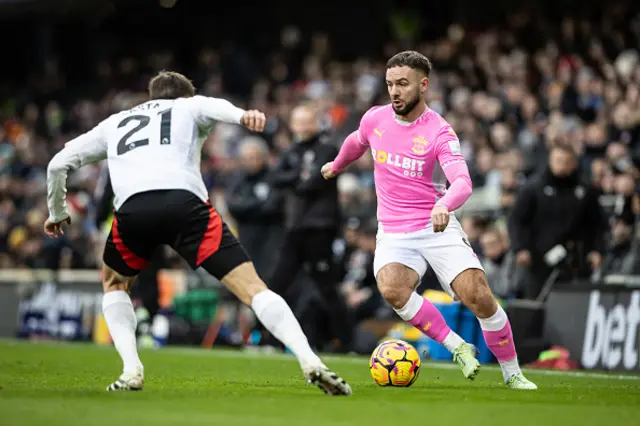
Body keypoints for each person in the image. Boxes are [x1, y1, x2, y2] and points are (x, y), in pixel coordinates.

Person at [44, 71, 351, 396]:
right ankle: (309, 360)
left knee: (115, 283)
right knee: (253, 288)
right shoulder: (189, 106)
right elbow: (213, 106)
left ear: (152, 96)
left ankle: (131, 369)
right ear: (184, 96)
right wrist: (242, 116)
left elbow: (56, 165)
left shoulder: (115, 122)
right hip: (185, 204)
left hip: (134, 210)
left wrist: (57, 212)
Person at [321, 51, 537, 390]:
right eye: (390, 84)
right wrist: (337, 164)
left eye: (403, 84)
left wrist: (445, 206)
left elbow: (463, 183)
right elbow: (356, 141)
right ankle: (458, 346)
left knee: (478, 296)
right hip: (393, 231)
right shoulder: (375, 119)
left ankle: (513, 373)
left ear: (423, 85)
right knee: (392, 289)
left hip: (435, 225)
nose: (395, 91)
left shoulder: (440, 132)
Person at [267, 103, 351, 352]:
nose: (302, 126)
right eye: (298, 121)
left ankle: (347, 341)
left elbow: (312, 183)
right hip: (295, 228)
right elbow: (275, 178)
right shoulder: (291, 151)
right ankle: (269, 340)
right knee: (276, 285)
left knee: (327, 287)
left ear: (316, 122)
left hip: (320, 228)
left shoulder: (328, 148)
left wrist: (295, 178)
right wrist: (299, 175)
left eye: (306, 121)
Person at [508, 145, 607, 299]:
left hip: (577, 259)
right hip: (540, 259)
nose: (562, 166)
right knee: (538, 303)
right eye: (558, 160)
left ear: (574, 163)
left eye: (567, 161)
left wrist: (597, 250)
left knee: (576, 303)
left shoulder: (585, 190)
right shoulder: (533, 188)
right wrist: (520, 248)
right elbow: (517, 220)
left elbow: (597, 223)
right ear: (550, 161)